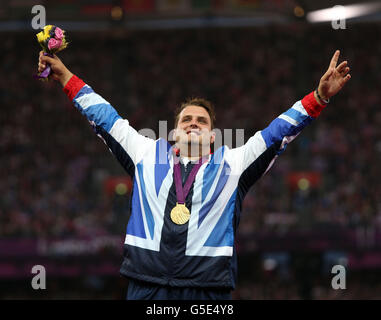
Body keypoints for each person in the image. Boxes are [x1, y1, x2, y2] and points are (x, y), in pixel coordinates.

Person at [38, 49, 351, 300]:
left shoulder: (234, 164)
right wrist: (65, 75)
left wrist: (318, 98)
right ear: (174, 131)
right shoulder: (145, 153)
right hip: (147, 286)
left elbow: (276, 133)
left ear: (213, 136)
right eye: (186, 119)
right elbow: (104, 117)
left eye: (202, 121)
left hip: (208, 290)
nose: (193, 123)